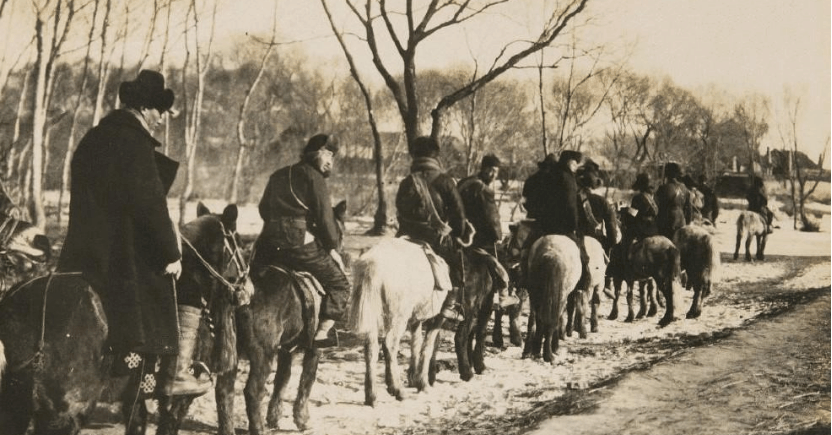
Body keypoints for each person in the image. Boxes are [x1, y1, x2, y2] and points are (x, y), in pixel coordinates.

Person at [58, 70, 210, 396]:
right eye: (159, 112)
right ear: (144, 108)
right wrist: (171, 253)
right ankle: (168, 375)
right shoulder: (135, 144)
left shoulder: (92, 139)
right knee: (186, 287)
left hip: (79, 252)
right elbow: (150, 207)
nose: (160, 120)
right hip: (121, 257)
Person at [252, 134, 350, 347]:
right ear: (316, 153)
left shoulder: (278, 174)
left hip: (268, 241)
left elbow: (263, 209)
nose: (331, 161)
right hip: (297, 242)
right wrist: (333, 248)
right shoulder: (314, 177)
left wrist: (277, 225)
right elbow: (325, 217)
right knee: (340, 283)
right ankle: (322, 334)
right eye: (328, 155)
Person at [396, 136, 470, 321]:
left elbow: (399, 208)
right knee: (458, 265)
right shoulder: (445, 181)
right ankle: (449, 306)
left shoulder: (407, 181)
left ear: (414, 156)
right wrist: (459, 234)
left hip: (405, 236)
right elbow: (459, 214)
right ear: (435, 156)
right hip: (434, 239)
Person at [457, 154, 520, 308]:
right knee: (503, 260)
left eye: (496, 172)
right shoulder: (484, 190)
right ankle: (503, 294)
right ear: (484, 169)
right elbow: (492, 218)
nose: (494, 175)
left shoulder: (464, 183)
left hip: (458, 234)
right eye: (491, 170)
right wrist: (498, 236)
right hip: (478, 239)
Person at [530, 150, 591, 294]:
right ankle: (583, 283)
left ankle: (524, 281)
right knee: (583, 254)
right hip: (563, 227)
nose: (576, 166)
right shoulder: (568, 178)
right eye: (575, 163)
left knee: (528, 251)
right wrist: (573, 226)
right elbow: (571, 206)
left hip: (545, 227)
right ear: (569, 162)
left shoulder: (548, 175)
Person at [576, 159, 619, 252]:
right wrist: (611, 244)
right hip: (597, 240)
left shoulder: (573, 199)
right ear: (596, 184)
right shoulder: (602, 201)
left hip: (576, 240)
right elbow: (611, 228)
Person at [655, 162, 693, 240]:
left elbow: (657, 207)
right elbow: (689, 208)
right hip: (681, 221)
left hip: (668, 222)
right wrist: (688, 223)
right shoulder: (684, 188)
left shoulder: (663, 188)